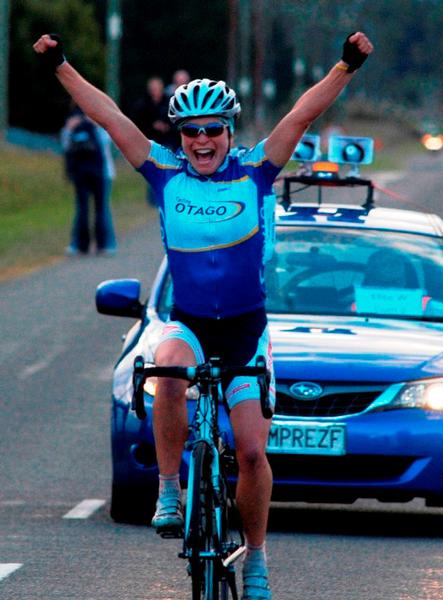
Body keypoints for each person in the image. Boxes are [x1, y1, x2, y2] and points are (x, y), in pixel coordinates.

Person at [33, 30, 373, 599]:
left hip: (245, 330)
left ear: (230, 132)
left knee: (250, 451)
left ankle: (257, 559)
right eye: (191, 131)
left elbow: (302, 113)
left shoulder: (256, 169)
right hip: (189, 321)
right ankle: (169, 489)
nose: (202, 140)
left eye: (213, 129)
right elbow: (109, 115)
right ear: (180, 136)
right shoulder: (163, 171)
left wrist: (346, 64)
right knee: (165, 367)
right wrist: (61, 65)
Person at [60, 106, 117, 255]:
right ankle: (79, 244)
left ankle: (106, 244)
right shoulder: (76, 126)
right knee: (83, 209)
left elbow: (108, 142)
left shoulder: (100, 125)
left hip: (103, 173)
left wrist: (98, 125)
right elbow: (67, 147)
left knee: (102, 209)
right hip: (83, 174)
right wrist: (68, 129)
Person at [131, 76, 178, 202]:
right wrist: (152, 126)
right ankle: (153, 198)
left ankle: (167, 195)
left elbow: (176, 122)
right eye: (152, 88)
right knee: (152, 169)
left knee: (167, 169)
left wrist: (166, 127)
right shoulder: (143, 105)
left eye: (156, 88)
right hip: (150, 143)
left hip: (167, 142)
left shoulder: (169, 103)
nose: (154, 91)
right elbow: (138, 124)